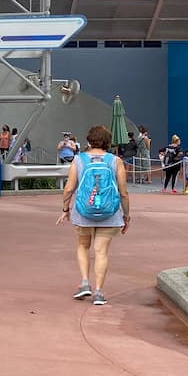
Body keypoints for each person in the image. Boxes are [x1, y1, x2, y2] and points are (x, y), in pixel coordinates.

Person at [58, 125, 130, 307]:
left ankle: (84, 283)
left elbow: (69, 188)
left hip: (83, 211)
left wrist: (65, 209)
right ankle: (98, 292)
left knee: (83, 246)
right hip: (110, 213)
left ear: (89, 141)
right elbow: (123, 193)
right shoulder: (115, 161)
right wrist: (126, 215)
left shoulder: (79, 160)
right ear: (108, 141)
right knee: (101, 252)